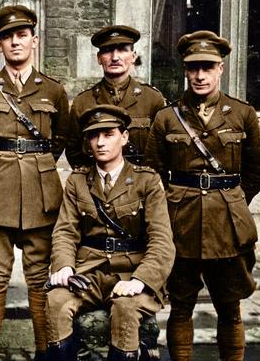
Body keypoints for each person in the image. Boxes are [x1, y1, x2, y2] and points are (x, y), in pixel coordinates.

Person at [0, 5, 71, 360]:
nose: (15, 42)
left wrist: (36, 167)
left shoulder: (53, 91)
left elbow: (60, 140)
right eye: (8, 37)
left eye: (22, 35)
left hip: (41, 199)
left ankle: (43, 351)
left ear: (34, 41)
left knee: (39, 278)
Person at [145, 30, 260, 361]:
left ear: (220, 69)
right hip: (181, 224)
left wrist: (233, 201)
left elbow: (255, 170)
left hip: (229, 227)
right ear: (185, 69)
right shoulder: (168, 117)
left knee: (230, 307)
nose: (199, 75)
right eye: (193, 67)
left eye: (207, 67)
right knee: (181, 306)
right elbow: (153, 172)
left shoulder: (242, 114)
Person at [45, 104, 174, 360]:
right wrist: (64, 266)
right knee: (56, 301)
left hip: (132, 271)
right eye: (94, 136)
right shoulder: (77, 181)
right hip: (89, 273)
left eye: (108, 134)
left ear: (124, 137)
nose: (100, 143)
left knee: (125, 307)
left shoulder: (146, 181)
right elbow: (65, 232)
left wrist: (139, 280)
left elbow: (161, 241)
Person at [65, 25, 165, 167]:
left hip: (140, 185)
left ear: (133, 56)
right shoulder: (83, 102)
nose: (115, 57)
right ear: (99, 58)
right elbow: (74, 152)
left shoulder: (152, 99)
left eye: (123, 50)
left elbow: (160, 152)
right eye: (108, 51)